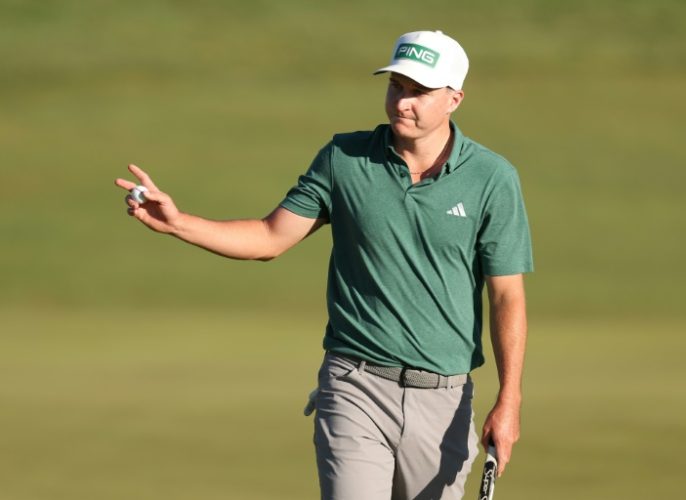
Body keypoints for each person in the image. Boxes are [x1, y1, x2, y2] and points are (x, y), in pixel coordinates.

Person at [116, 30, 533, 500]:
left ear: (454, 98)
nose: (402, 102)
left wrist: (509, 398)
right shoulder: (344, 158)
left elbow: (506, 295)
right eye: (396, 86)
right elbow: (270, 237)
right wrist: (179, 223)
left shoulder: (492, 179)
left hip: (443, 398)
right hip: (354, 383)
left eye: (419, 92)